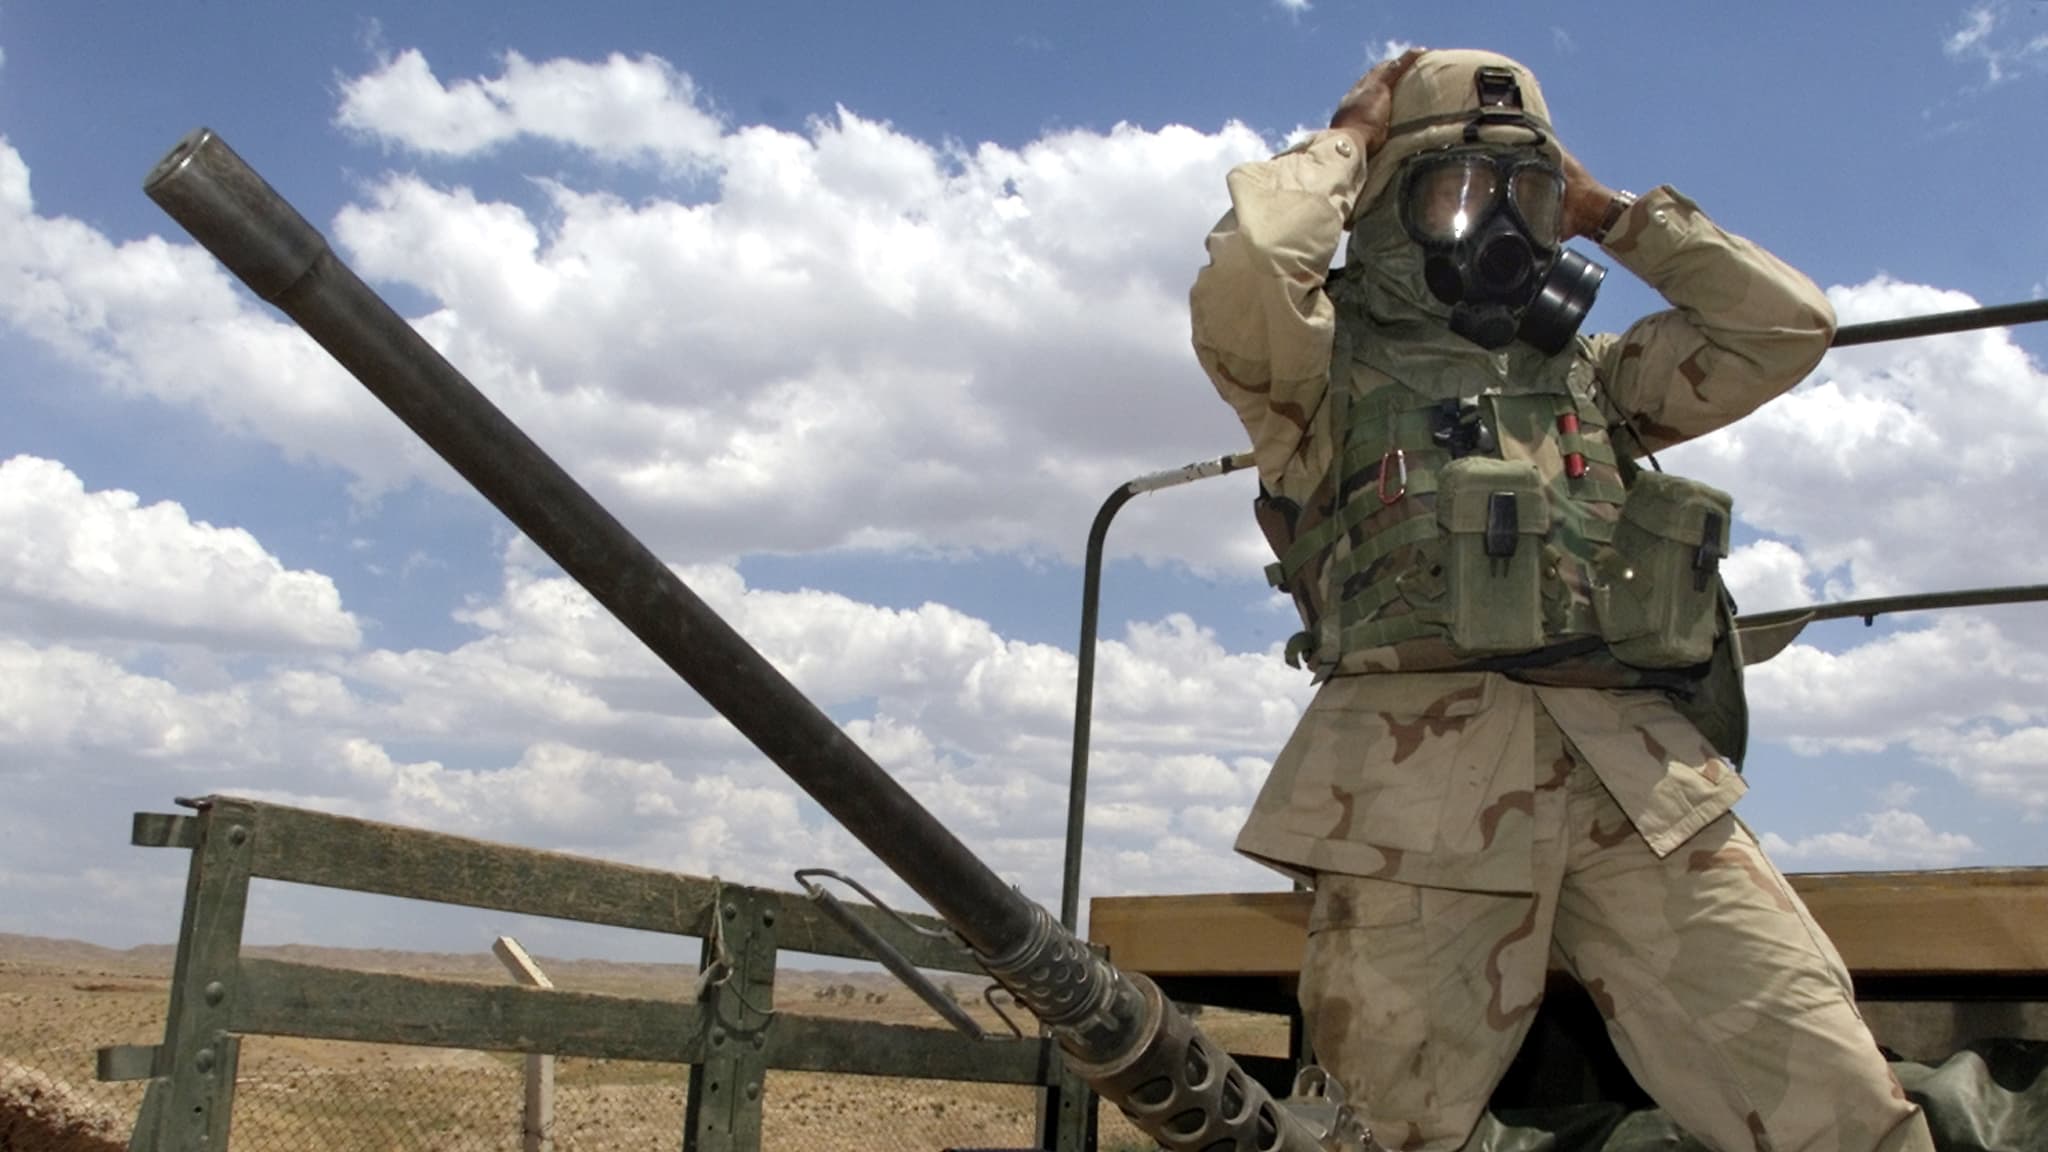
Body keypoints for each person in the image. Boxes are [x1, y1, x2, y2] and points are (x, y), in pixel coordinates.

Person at [1189, 48, 1934, 1152]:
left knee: (1839, 1110)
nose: (1495, 221)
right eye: (1456, 189)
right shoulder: (1317, 372)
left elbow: (1783, 327)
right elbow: (1252, 262)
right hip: (1413, 803)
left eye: (1523, 197)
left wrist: (1612, 216)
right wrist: (1347, 135)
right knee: (1371, 1138)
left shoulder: (1590, 372)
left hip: (1640, 786)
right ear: (1390, 201)